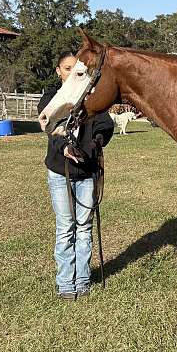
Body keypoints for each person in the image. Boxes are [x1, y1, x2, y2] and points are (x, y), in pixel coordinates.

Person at [37, 51, 114, 300]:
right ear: (59, 71)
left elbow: (105, 124)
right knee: (65, 228)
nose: (71, 72)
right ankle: (64, 283)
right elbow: (53, 130)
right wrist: (66, 148)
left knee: (84, 227)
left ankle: (82, 279)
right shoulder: (51, 99)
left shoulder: (89, 98)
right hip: (60, 172)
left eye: (75, 68)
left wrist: (96, 143)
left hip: (87, 172)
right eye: (67, 68)